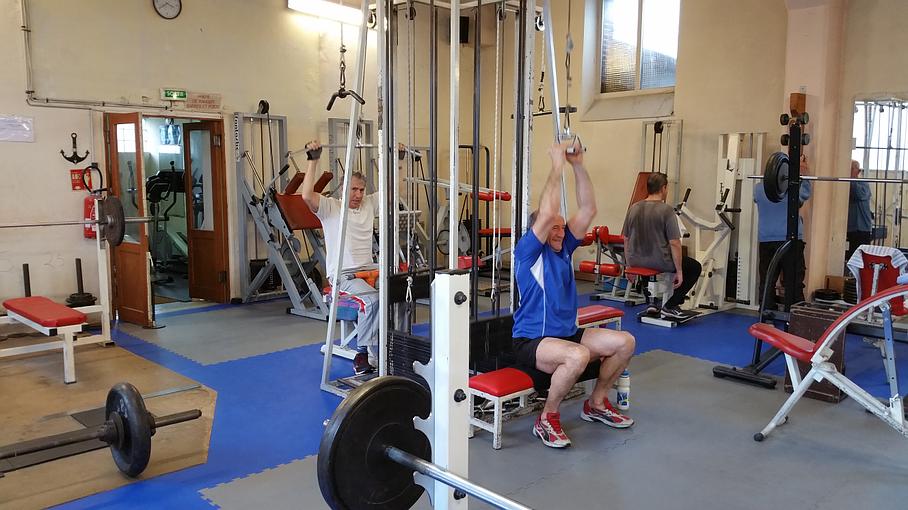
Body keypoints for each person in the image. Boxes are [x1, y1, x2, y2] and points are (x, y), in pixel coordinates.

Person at [513, 142, 637, 449]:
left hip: (567, 334)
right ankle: (547, 418)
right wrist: (557, 163)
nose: (560, 232)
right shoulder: (528, 252)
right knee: (578, 355)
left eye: (561, 227)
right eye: (553, 228)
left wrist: (578, 165)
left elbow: (588, 209)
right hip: (533, 341)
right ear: (538, 231)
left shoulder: (564, 247)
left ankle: (596, 403)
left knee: (625, 342)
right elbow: (546, 214)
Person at [300, 140, 379, 375]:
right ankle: (362, 353)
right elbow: (306, 196)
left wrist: (399, 161)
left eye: (361, 190)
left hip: (370, 271)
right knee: (372, 300)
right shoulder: (331, 207)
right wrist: (313, 160)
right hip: (343, 276)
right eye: (353, 189)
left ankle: (390, 349)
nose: (358, 194)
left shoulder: (368, 204)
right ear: (343, 188)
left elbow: (395, 192)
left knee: (400, 296)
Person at [622, 173, 702, 319]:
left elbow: (626, 239)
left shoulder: (633, 208)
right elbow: (675, 243)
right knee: (695, 267)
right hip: (659, 262)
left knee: (648, 260)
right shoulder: (667, 210)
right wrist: (679, 271)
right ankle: (671, 306)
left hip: (636, 261)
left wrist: (629, 266)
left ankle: (651, 303)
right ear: (663, 188)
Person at [753, 157, 811, 309]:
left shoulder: (758, 189)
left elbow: (759, 199)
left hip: (766, 240)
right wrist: (804, 174)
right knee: (793, 280)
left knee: (767, 279)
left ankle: (766, 312)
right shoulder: (792, 189)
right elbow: (804, 195)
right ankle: (794, 314)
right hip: (789, 240)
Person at [846, 159, 873, 262]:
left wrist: (852, 178)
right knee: (851, 256)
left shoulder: (863, 184)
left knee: (862, 258)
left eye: (852, 169)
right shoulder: (847, 183)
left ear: (858, 171)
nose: (849, 171)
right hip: (850, 228)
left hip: (862, 228)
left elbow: (859, 194)